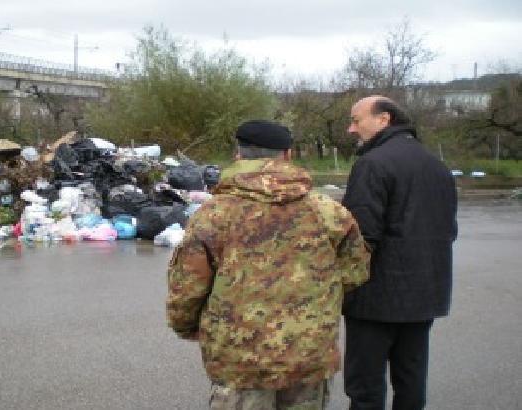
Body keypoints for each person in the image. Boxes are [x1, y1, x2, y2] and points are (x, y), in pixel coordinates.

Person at [166, 120, 371, 409]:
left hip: (240, 358)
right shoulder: (328, 211)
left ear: (238, 155)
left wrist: (186, 326)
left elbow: (187, 286)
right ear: (287, 155)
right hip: (308, 354)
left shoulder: (213, 214)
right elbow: (355, 271)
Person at [341, 96, 457, 410]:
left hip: (375, 299)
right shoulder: (437, 166)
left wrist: (339, 283)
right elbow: (449, 231)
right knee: (411, 381)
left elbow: (360, 236)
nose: (352, 128)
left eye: (357, 119)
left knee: (365, 387)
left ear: (384, 119)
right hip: (425, 296)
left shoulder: (372, 164)